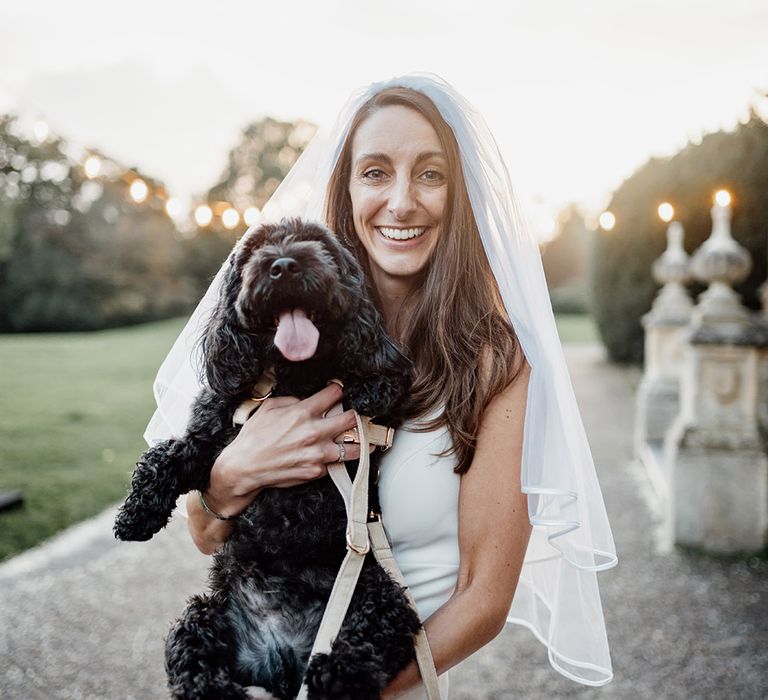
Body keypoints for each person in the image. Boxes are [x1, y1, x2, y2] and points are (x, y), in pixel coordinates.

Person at [146, 73, 617, 698]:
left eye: (429, 174)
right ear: (344, 189)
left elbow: (483, 599)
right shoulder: (290, 342)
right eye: (375, 172)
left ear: (461, 193)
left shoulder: (496, 364)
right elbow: (207, 536)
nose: (401, 202)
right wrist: (235, 473)